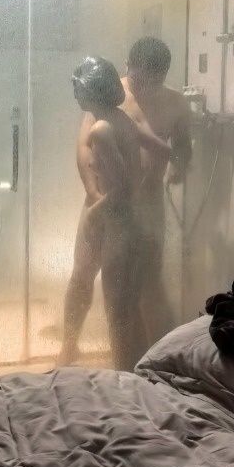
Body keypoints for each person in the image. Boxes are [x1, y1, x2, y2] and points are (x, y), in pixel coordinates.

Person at [59, 38, 191, 366]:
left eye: (152, 80)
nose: (142, 86)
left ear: (163, 75)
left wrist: (179, 167)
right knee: (83, 273)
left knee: (143, 282)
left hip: (147, 204)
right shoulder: (107, 92)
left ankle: (145, 358)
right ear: (128, 66)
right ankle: (69, 346)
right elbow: (84, 148)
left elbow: (180, 148)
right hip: (102, 199)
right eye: (137, 78)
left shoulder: (176, 104)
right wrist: (96, 198)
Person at [61, 56, 148, 371]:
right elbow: (132, 176)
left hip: (114, 218)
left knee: (117, 303)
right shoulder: (117, 119)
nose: (74, 94)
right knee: (94, 287)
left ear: (92, 91)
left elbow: (123, 187)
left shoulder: (103, 127)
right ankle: (73, 351)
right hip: (114, 214)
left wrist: (95, 212)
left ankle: (127, 374)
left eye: (78, 88)